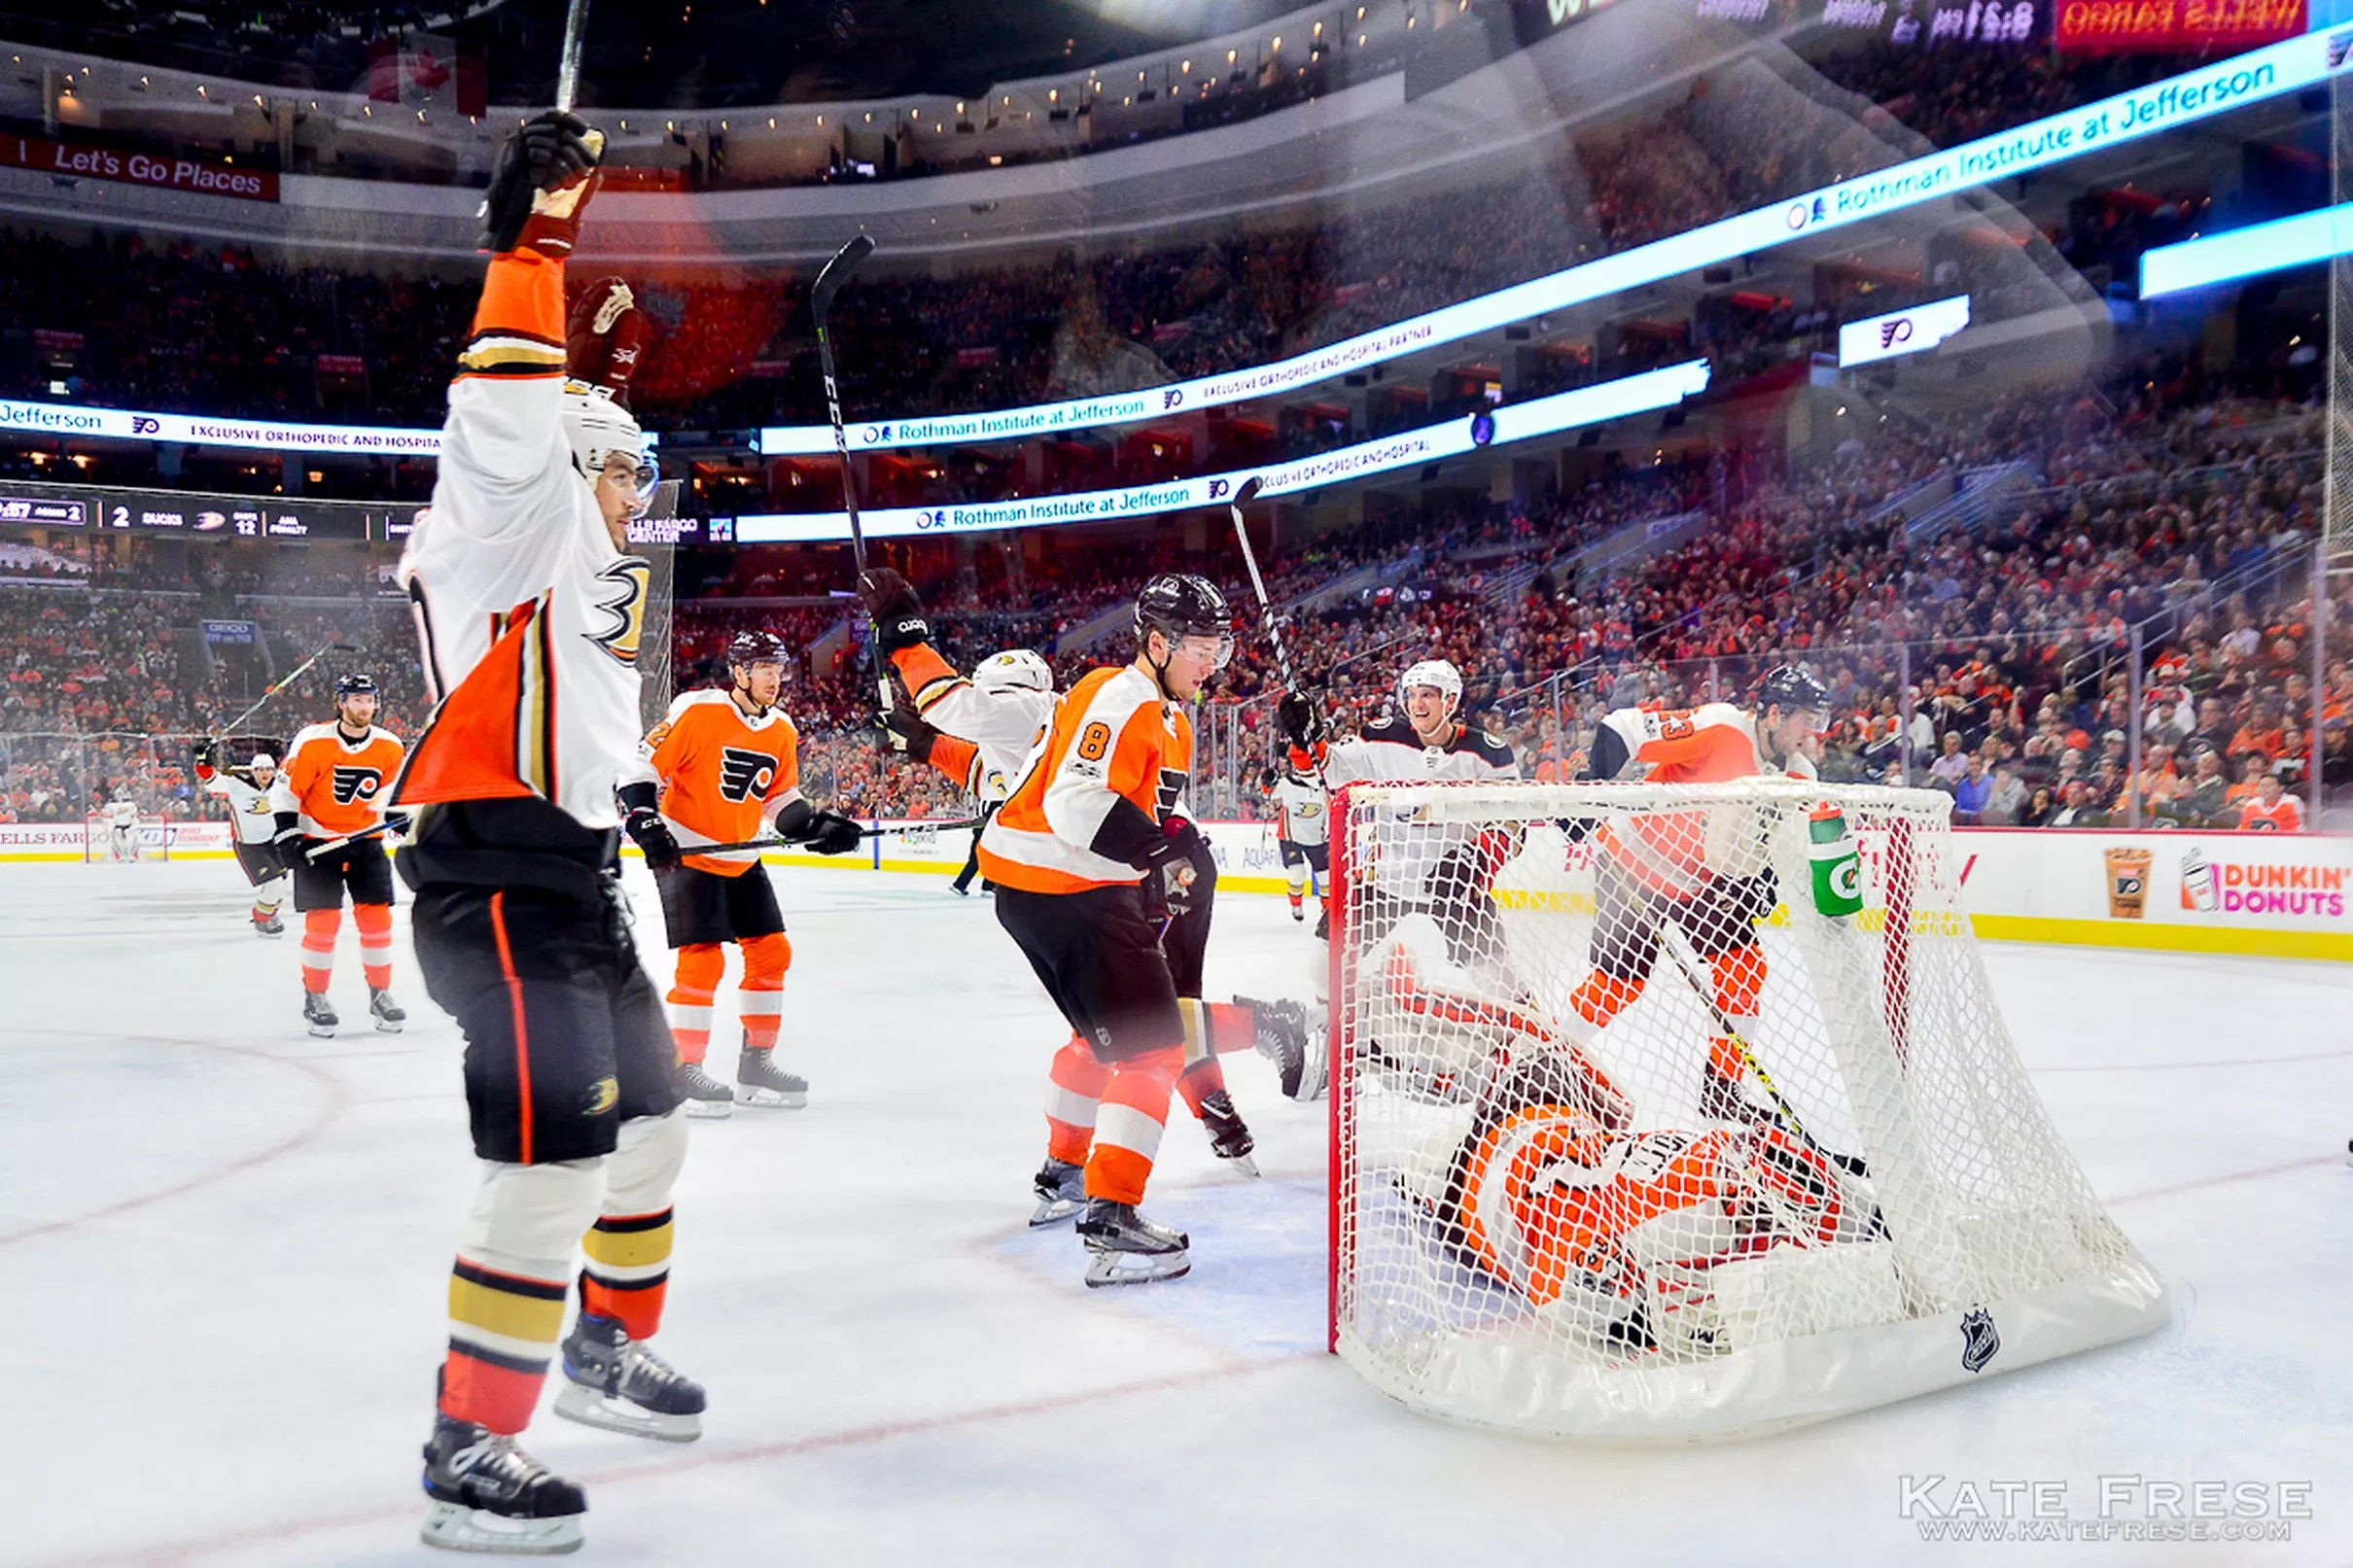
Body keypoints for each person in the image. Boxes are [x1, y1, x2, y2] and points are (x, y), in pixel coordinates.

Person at [385, 109, 701, 1554]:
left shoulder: (583, 567)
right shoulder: (505, 505)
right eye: (625, 467)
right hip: (490, 877)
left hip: (570, 871)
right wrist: (535, 243)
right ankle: (470, 1445)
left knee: (649, 1136)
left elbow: (591, 715)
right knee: (550, 1168)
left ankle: (598, 1349)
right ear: (575, 456)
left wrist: (644, 809)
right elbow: (508, 402)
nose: (640, 494)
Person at [975, 575, 1251, 1283]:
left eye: (1216, 649)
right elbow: (1076, 801)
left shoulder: (1170, 715)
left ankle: (1061, 1177)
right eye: (1197, 647)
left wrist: (1168, 847)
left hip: (1044, 889)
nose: (1208, 662)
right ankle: (1112, 1215)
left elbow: (1143, 816)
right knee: (1153, 1049)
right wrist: (1159, 855)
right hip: (1072, 889)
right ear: (1156, 643)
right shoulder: (1119, 692)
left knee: (1096, 1043)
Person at [1564, 666, 1830, 1128]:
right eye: (1806, 719)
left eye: (1817, 721)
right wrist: (1592, 793)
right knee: (1618, 985)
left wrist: (1760, 881)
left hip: (1698, 883)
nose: (1813, 731)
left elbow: (1771, 841)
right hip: (1635, 860)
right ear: (1772, 713)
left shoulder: (1798, 774)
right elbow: (1624, 727)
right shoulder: (1722, 726)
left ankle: (1721, 1094)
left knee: (1744, 969)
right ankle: (1550, 1059)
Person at [642, 630, 863, 1118]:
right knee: (703, 960)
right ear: (739, 673)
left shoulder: (782, 728)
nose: (775, 678)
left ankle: (756, 1064)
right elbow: (643, 766)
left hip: (742, 857)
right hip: (690, 853)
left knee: (771, 953)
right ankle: (684, 1068)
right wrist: (643, 818)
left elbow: (779, 799)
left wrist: (818, 826)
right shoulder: (697, 710)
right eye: (764, 668)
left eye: (779, 668)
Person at [270, 673, 407, 1037]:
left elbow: (391, 798)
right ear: (341, 703)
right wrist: (289, 837)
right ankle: (315, 996)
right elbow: (286, 793)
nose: (364, 707)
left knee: (377, 922)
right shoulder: (313, 741)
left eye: (369, 700)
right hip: (319, 842)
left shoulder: (390, 746)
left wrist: (400, 819)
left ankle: (381, 994)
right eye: (356, 700)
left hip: (366, 842)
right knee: (323, 923)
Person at [194, 742, 289, 935]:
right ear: (253, 771)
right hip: (249, 846)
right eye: (260, 769)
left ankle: (268, 913)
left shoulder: (281, 784)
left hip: (273, 843)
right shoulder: (237, 784)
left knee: (281, 886)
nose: (265, 773)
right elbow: (207, 774)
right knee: (274, 884)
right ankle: (260, 918)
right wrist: (202, 758)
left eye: (269, 769)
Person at [1270, 755, 1330, 934]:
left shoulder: (1325, 786)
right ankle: (1296, 905)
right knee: (1296, 873)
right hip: (1291, 835)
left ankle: (1327, 911)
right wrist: (1267, 779)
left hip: (1317, 837)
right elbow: (1268, 791)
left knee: (1325, 877)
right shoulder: (1287, 783)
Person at [2238, 773, 2304, 832]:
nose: (2264, 789)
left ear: (2281, 787)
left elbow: (2299, 829)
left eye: (2269, 786)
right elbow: (2244, 830)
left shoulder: (2291, 802)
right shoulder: (2252, 805)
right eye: (2262, 786)